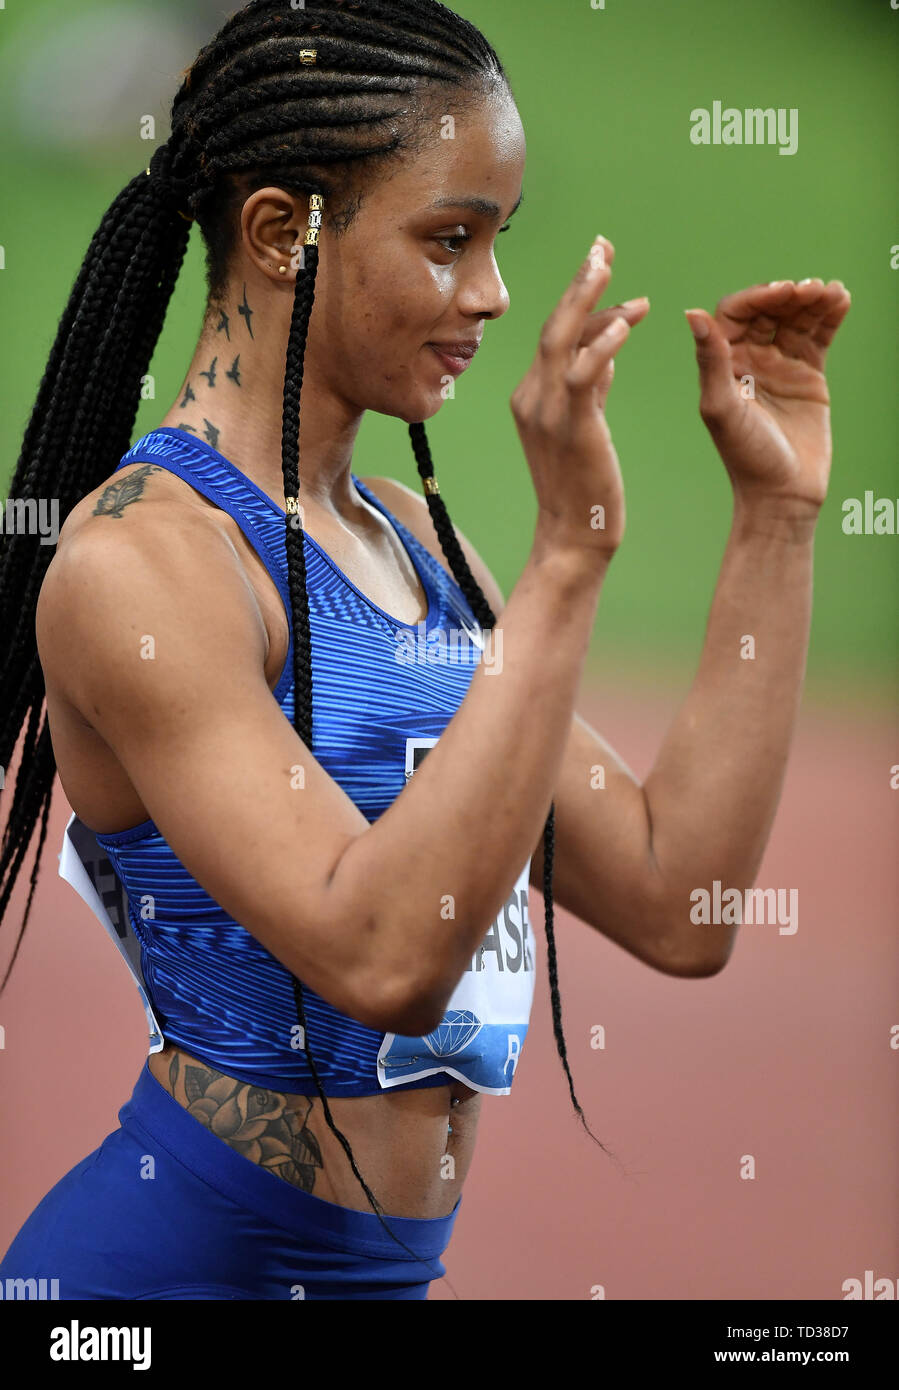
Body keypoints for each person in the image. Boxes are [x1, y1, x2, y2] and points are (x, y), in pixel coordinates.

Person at [0, 0, 850, 1300]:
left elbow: (684, 902)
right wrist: (570, 558)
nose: (495, 294)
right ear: (285, 232)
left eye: (499, 240)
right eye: (449, 239)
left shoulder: (409, 543)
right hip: (167, 1272)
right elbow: (382, 954)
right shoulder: (142, 566)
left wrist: (776, 520)